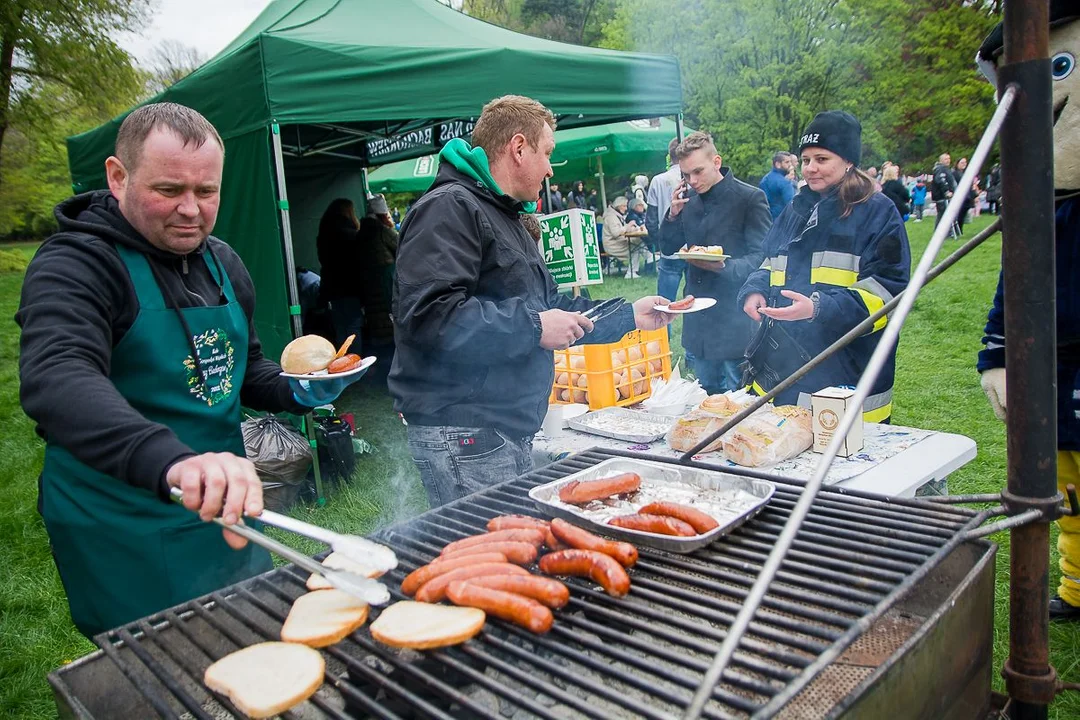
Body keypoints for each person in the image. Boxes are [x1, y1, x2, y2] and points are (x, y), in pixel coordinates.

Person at [15, 103, 359, 638]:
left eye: (207, 192)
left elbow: (245, 372)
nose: (191, 211)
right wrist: (172, 461)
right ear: (117, 176)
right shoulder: (76, 263)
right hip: (123, 521)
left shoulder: (223, 263)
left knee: (250, 640)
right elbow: (57, 377)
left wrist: (305, 391)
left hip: (224, 507)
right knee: (159, 674)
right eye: (170, 190)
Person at [388, 95, 672, 507]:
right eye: (547, 153)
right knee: (490, 560)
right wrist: (535, 328)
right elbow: (431, 318)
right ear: (519, 149)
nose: (551, 168)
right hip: (465, 430)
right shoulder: (449, 208)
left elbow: (548, 306)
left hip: (499, 429)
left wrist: (628, 314)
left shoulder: (503, 214)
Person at [976, 4, 1080, 620]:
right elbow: (1010, 285)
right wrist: (996, 354)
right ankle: (1074, 587)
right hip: (1051, 374)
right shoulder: (1039, 210)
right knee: (1064, 487)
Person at [738, 111, 911, 421]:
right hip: (781, 373)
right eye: (805, 160)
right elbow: (769, 261)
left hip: (845, 372)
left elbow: (887, 294)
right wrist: (754, 290)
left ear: (848, 161)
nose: (810, 168)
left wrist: (818, 309)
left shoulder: (877, 211)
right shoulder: (796, 207)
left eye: (821, 158)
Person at [658, 131, 772, 394]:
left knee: (739, 396)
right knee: (706, 393)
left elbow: (763, 256)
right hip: (698, 313)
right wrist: (673, 214)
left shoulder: (749, 198)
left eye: (698, 172)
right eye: (686, 175)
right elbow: (667, 247)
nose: (692, 180)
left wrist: (724, 267)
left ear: (716, 162)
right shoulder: (688, 200)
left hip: (736, 312)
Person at [316, 198, 366, 349]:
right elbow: (359, 261)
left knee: (340, 327)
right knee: (353, 326)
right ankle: (355, 361)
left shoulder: (324, 233)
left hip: (332, 286)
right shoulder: (352, 234)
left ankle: (342, 361)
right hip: (350, 285)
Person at [647, 138, 688, 318]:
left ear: (669, 156)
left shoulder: (657, 180)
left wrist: (659, 244)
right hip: (695, 249)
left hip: (669, 248)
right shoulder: (695, 177)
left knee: (664, 305)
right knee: (697, 301)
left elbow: (651, 220)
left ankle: (665, 341)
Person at [358, 193, 400, 347]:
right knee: (391, 328)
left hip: (368, 288)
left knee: (377, 328)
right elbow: (402, 247)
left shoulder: (360, 234)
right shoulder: (382, 231)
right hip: (387, 287)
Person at [603, 196, 644, 278]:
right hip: (612, 245)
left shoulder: (616, 215)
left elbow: (623, 228)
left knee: (639, 242)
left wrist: (632, 228)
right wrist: (628, 226)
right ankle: (631, 273)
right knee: (636, 247)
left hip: (617, 242)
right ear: (618, 206)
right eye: (624, 206)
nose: (626, 209)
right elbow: (616, 233)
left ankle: (650, 260)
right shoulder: (611, 217)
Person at [760, 151, 797, 220]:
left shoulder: (765, 179)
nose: (790, 165)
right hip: (782, 221)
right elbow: (792, 206)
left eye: (790, 162)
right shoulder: (785, 183)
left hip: (766, 220)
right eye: (787, 162)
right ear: (778, 164)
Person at [931, 153, 957, 232]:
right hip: (941, 196)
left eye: (949, 158)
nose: (948, 160)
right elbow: (941, 181)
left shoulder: (946, 169)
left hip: (945, 196)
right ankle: (940, 231)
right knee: (942, 214)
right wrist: (946, 191)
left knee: (944, 214)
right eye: (946, 159)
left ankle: (945, 231)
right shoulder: (940, 169)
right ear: (941, 160)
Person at [952, 157, 975, 234]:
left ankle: (960, 230)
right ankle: (957, 230)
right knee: (959, 215)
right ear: (957, 164)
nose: (964, 164)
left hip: (967, 197)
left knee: (963, 214)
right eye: (962, 163)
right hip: (960, 197)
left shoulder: (965, 173)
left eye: (965, 162)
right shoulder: (955, 173)